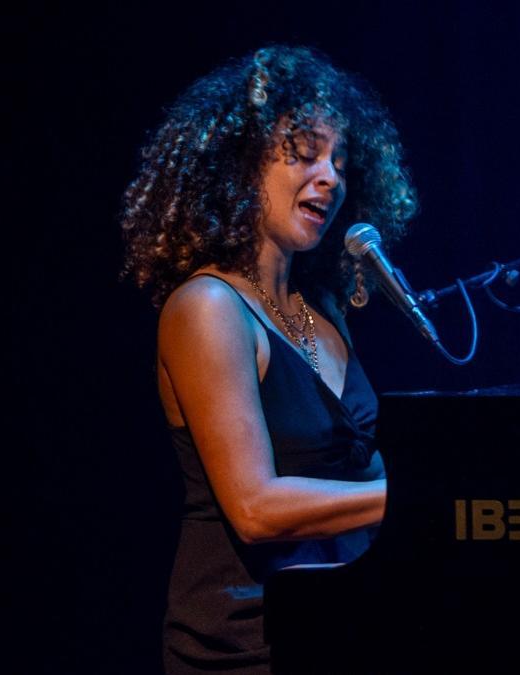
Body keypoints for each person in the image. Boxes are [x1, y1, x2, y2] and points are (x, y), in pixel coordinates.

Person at [120, 45, 417, 673]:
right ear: (242, 162)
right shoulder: (208, 307)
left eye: (341, 162)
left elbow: (357, 467)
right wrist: (417, 497)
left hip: (332, 623)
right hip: (244, 647)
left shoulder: (321, 309)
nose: (331, 177)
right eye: (306, 154)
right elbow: (255, 508)